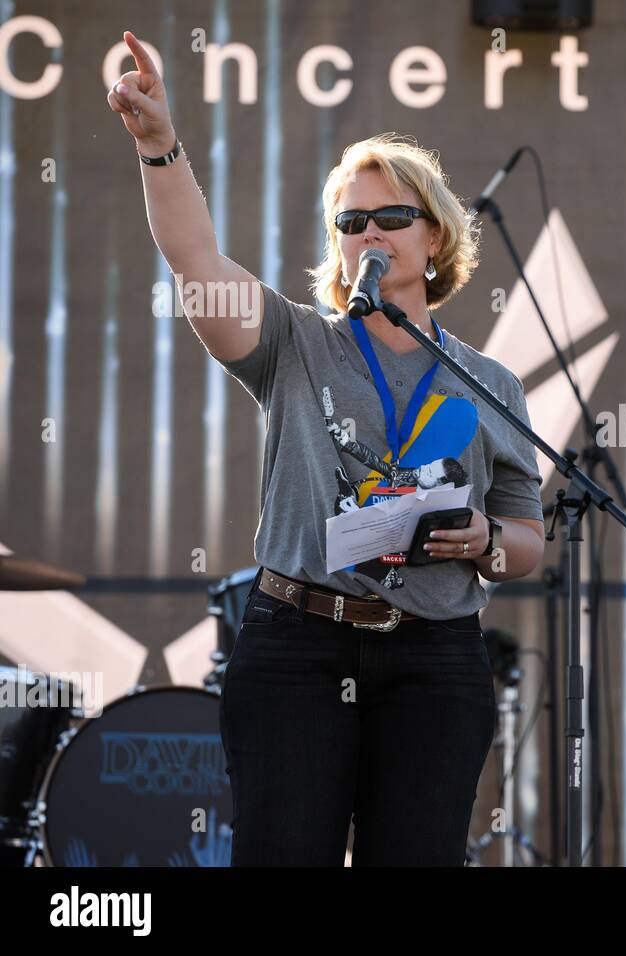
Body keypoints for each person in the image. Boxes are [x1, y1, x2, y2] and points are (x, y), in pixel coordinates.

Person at [109, 30, 545, 865]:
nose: (369, 234)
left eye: (391, 218)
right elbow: (195, 258)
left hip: (434, 657)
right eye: (351, 221)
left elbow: (525, 535)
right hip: (297, 648)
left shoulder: (491, 382)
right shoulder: (296, 341)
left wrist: (489, 542)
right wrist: (161, 146)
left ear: (436, 239)